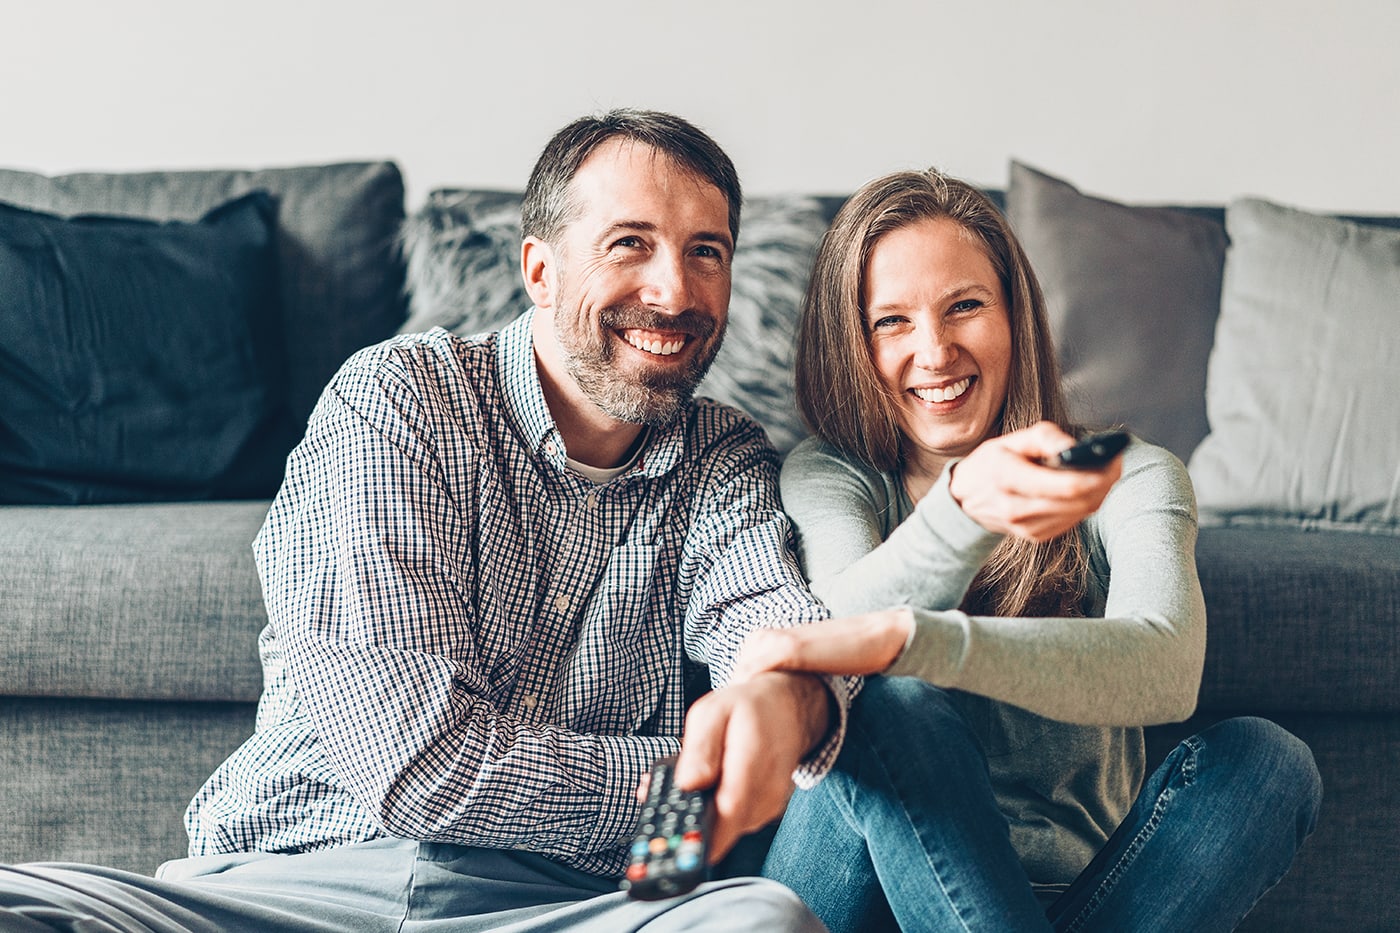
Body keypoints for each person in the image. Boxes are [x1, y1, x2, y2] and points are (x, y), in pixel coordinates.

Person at [0, 110, 846, 932]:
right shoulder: (399, 400)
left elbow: (769, 621)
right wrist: (682, 784)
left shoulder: (723, 453)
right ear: (540, 272)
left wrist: (791, 695)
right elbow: (414, 763)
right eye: (632, 243)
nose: (676, 290)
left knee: (763, 917)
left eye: (708, 252)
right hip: (294, 888)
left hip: (565, 909)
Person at [733, 169, 1322, 932]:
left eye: (965, 307)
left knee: (1267, 764)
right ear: (853, 345)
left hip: (1076, 903)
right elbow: (837, 641)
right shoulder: (833, 474)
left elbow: (1167, 669)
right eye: (892, 323)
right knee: (885, 700)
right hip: (859, 893)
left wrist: (918, 640)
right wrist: (964, 508)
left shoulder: (1130, 473)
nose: (936, 350)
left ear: (1016, 317)